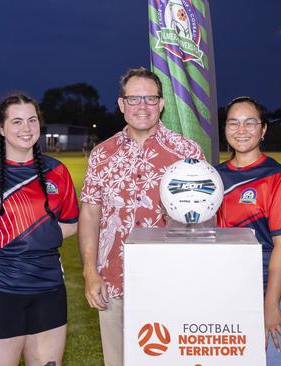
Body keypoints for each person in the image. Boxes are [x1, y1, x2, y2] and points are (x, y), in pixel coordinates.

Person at [78, 67, 203, 366]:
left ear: (162, 104)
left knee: (168, 359)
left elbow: (201, 219)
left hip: (168, 281)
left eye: (150, 98)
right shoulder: (101, 154)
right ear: (121, 105)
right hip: (112, 279)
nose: (142, 106)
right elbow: (90, 214)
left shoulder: (187, 153)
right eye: (134, 99)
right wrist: (89, 272)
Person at [0, 94, 79, 365]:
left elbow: (71, 223)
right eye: (17, 121)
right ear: (1, 128)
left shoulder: (57, 172)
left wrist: (38, 237)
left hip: (48, 288)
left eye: (32, 120)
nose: (26, 128)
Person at [215, 96, 281, 366]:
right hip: (233, 296)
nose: (241, 130)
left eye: (250, 122)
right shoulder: (214, 177)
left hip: (277, 299)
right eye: (233, 123)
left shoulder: (276, 177)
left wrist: (270, 305)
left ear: (263, 129)